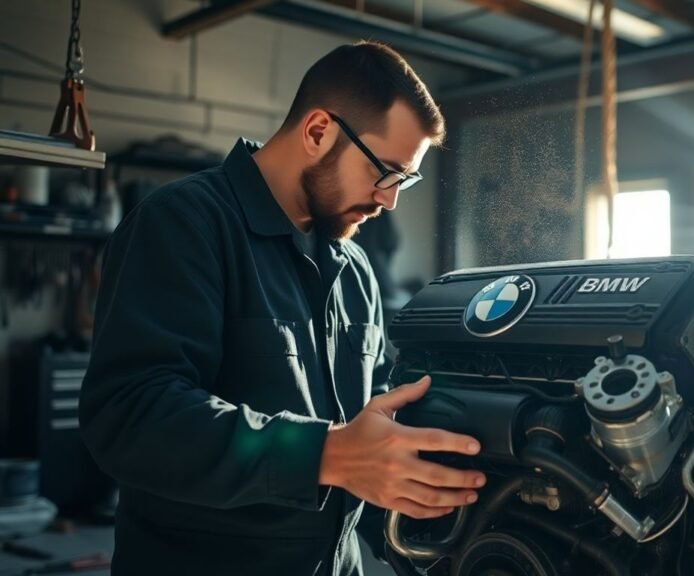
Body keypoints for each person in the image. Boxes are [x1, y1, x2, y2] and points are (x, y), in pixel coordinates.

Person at [79, 41, 485, 576]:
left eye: (404, 180)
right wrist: (326, 453)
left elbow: (372, 429)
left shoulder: (355, 269)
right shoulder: (184, 224)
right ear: (318, 132)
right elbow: (131, 416)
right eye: (385, 171)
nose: (390, 200)